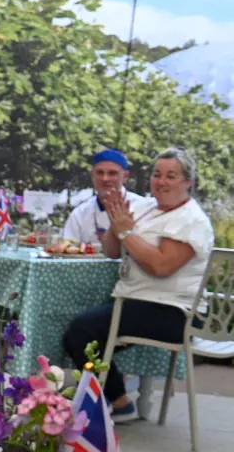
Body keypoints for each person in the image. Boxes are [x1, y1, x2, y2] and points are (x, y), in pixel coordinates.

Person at [63, 148, 214, 421]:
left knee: (82, 330)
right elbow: (111, 250)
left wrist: (126, 232)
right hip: (138, 302)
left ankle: (117, 402)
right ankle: (107, 398)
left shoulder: (191, 219)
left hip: (173, 312)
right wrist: (114, 223)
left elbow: (160, 267)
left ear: (187, 182)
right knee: (82, 326)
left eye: (171, 176)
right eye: (157, 175)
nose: (161, 182)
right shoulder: (144, 206)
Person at [61, 149, 142, 246]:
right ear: (92, 175)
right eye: (100, 172)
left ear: (125, 176)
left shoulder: (142, 207)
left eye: (112, 173)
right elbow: (68, 247)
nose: (105, 179)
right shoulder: (80, 213)